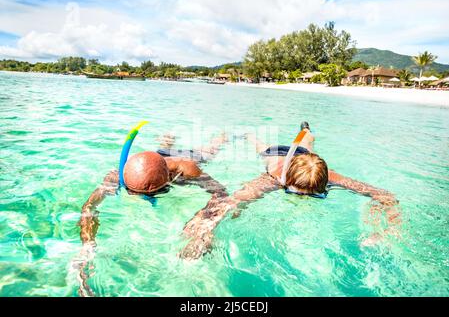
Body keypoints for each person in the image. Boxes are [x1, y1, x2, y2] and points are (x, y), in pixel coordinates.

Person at [179, 122, 400, 260]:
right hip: (275, 155)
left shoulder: (329, 176)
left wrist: (385, 229)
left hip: (303, 153)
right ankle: (248, 135)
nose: (305, 200)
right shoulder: (273, 178)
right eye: (295, 193)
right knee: (261, 147)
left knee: (309, 142)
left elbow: (386, 196)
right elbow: (227, 202)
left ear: (325, 185)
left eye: (315, 195)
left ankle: (306, 130)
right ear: (286, 184)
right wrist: (203, 233)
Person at [75, 130, 228, 296]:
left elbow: (221, 193)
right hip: (154, 161)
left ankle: (224, 135)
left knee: (209, 151)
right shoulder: (118, 176)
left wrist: (203, 223)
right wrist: (87, 244)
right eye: (132, 191)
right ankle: (168, 140)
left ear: (169, 179)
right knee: (162, 149)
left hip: (187, 158)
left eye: (148, 195)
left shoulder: (187, 170)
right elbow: (89, 207)